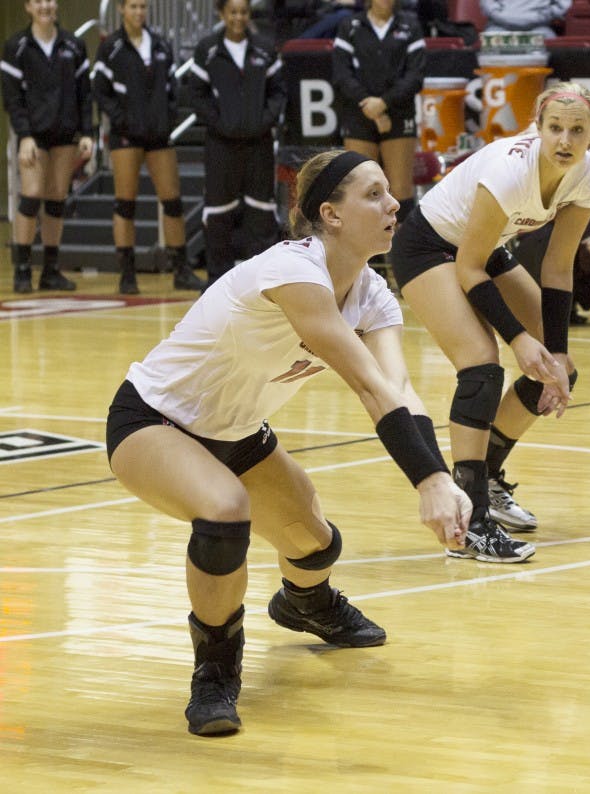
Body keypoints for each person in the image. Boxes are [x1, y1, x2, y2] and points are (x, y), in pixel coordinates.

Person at [105, 148, 472, 736]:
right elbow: (367, 386)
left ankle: (305, 604)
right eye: (373, 194)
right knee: (226, 513)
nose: (393, 202)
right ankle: (215, 672)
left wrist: (440, 476)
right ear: (330, 214)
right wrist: (426, 482)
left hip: (240, 433)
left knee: (314, 543)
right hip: (154, 419)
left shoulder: (374, 293)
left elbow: (398, 388)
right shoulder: (293, 270)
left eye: (388, 191)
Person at [388, 82, 590, 561]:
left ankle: (486, 474)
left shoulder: (589, 174)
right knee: (483, 364)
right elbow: (467, 268)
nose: (565, 141)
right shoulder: (511, 169)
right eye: (554, 129)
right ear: (537, 127)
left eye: (577, 130)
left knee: (557, 368)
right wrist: (519, 338)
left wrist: (557, 350)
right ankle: (473, 524)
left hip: (482, 250)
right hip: (428, 246)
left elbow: (558, 265)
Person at [92, 0, 205, 295]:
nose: (139, 12)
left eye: (143, 6)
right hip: (126, 135)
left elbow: (171, 87)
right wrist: (121, 119)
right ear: (121, 9)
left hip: (158, 134)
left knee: (173, 202)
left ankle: (181, 268)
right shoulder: (111, 48)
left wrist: (166, 119)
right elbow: (100, 91)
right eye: (133, 6)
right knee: (125, 204)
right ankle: (127, 274)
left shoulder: (161, 45)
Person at [189, 0, 286, 289]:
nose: (238, 17)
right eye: (233, 12)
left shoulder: (265, 49)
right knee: (218, 214)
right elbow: (197, 96)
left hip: (260, 144)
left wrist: (262, 121)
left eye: (243, 12)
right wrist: (221, 124)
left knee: (262, 212)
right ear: (222, 14)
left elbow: (278, 93)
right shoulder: (206, 50)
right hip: (220, 145)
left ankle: (265, 284)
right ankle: (217, 282)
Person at [2, 0, 93, 294]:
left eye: (50, 0)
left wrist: (87, 133)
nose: (45, 6)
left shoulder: (74, 45)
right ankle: (23, 269)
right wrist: (24, 135)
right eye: (38, 1)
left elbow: (85, 95)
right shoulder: (16, 46)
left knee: (56, 198)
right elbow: (12, 99)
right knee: (31, 196)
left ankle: (51, 270)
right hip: (34, 135)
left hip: (65, 133)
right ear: (28, 7)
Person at [510, 157, 590, 324]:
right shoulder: (541, 172)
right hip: (540, 244)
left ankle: (569, 304)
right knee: (549, 237)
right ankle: (540, 305)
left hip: (583, 251)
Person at [332, 0, 425, 232]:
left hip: (399, 113)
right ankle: (362, 260)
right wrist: (369, 105)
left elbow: (415, 76)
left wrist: (383, 103)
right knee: (359, 187)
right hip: (359, 113)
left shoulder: (410, 26)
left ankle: (400, 262)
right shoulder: (350, 26)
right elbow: (342, 74)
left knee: (401, 189)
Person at [479, 0, 573, 38]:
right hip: (498, 28)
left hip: (540, 29)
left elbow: (562, 6)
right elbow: (489, 6)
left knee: (551, 44)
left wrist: (541, 16)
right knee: (488, 40)